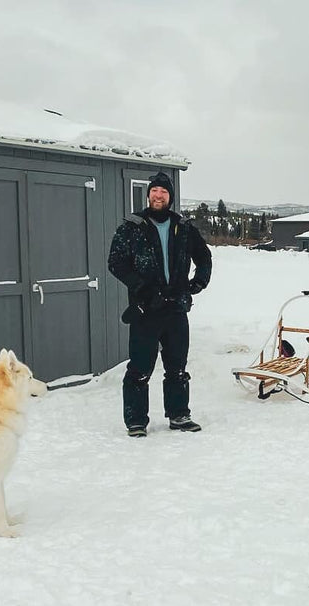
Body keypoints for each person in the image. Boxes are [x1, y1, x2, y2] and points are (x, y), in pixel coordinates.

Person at [108, 171, 212, 437]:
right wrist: (141, 288)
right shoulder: (132, 227)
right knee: (140, 368)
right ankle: (136, 421)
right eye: (154, 191)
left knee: (177, 367)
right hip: (146, 309)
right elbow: (116, 263)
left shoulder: (184, 227)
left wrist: (198, 283)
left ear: (170, 197)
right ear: (148, 195)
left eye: (164, 192)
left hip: (176, 308)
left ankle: (179, 415)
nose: (158, 195)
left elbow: (204, 256)